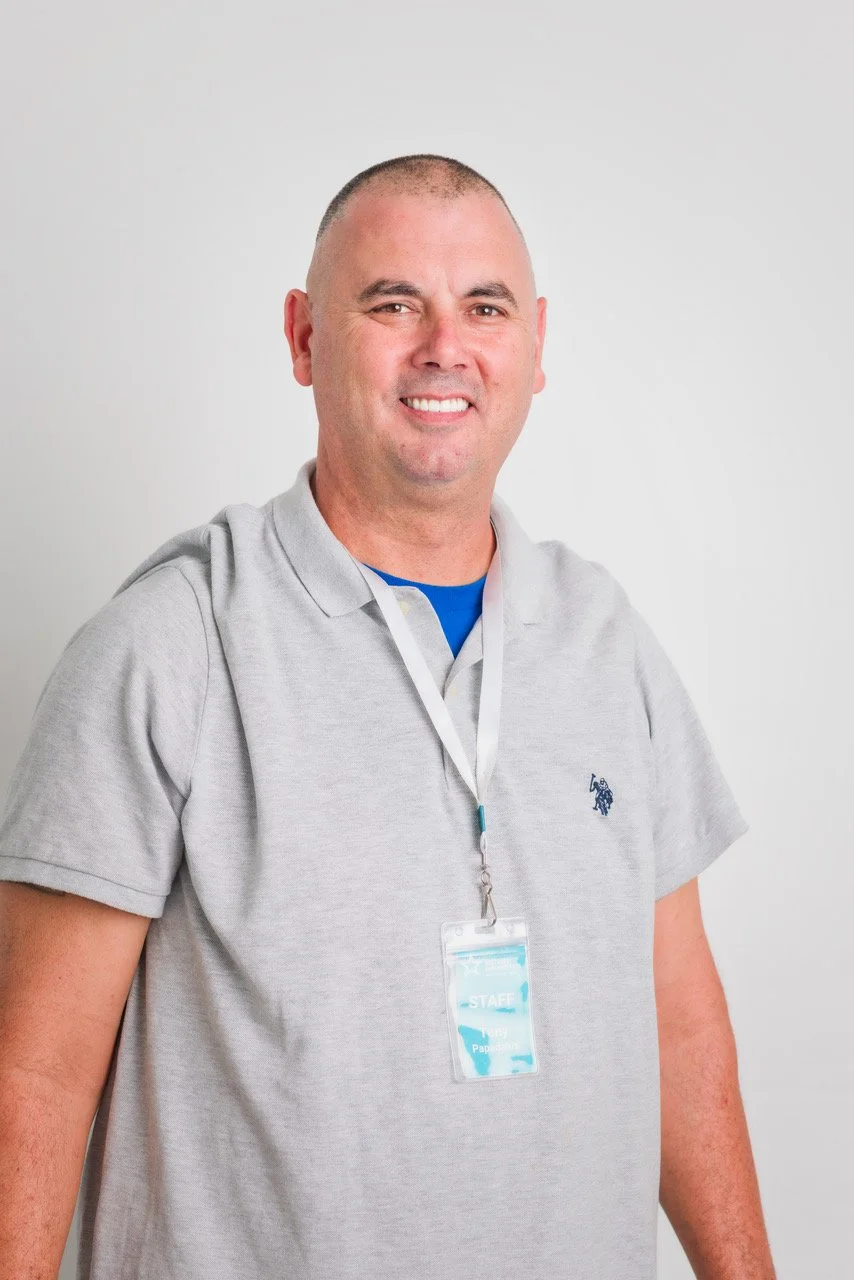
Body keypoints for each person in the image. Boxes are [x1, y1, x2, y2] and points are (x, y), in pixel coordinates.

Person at [0, 154, 775, 1279]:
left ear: (535, 345)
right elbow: (33, 1072)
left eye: (485, 307)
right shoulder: (174, 645)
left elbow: (682, 1027)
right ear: (304, 337)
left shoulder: (606, 642)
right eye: (393, 303)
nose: (443, 347)